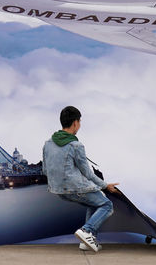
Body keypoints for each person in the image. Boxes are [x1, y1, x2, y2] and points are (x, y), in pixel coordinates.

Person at [42, 106, 119, 253]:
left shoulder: (48, 143)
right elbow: (88, 173)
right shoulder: (76, 145)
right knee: (107, 205)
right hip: (75, 188)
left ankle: (87, 242)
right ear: (75, 123)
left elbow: (45, 170)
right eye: (80, 121)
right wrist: (105, 185)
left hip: (58, 190)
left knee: (94, 202)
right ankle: (87, 230)